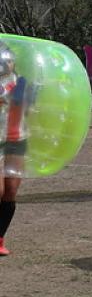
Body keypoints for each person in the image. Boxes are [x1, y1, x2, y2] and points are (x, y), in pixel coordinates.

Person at [0, 45, 31, 256]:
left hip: (17, 139)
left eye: (9, 60)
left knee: (10, 192)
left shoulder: (21, 83)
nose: (6, 64)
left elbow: (29, 109)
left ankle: (0, 238)